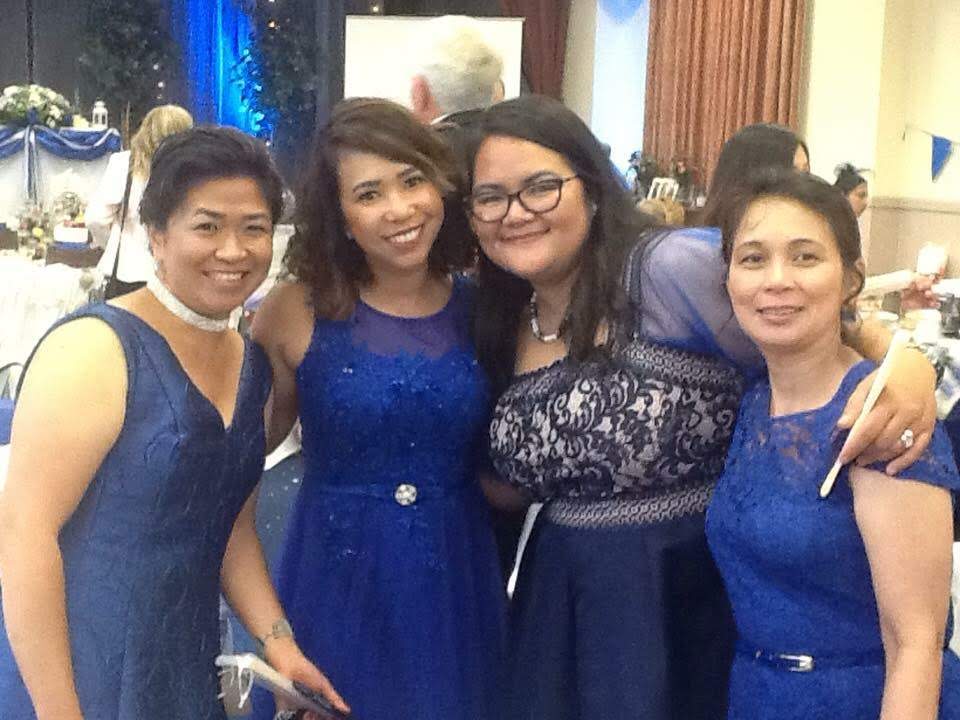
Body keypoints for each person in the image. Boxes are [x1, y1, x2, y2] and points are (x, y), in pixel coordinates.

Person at [465, 95, 938, 720]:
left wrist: (906, 366)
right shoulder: (496, 317)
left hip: (683, 603)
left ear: (593, 188)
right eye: (491, 197)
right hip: (559, 606)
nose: (516, 212)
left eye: (541, 187)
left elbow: (806, 311)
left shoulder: (663, 269)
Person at [0, 127, 346, 720]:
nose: (233, 250)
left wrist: (280, 645)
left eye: (254, 228)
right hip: (75, 667)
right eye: (207, 227)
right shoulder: (95, 348)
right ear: (156, 235)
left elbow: (231, 526)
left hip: (184, 661)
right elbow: (24, 536)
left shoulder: (251, 365)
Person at [248, 98, 504, 720]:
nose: (400, 209)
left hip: (455, 578)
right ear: (340, 217)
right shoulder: (294, 311)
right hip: (334, 574)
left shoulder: (486, 309)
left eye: (412, 180)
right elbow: (240, 459)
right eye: (369, 194)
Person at [707, 168, 960, 719]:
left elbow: (916, 642)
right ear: (728, 279)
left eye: (805, 257)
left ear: (851, 279)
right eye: (753, 259)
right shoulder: (751, 400)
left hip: (859, 700)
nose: (777, 279)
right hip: (758, 694)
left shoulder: (880, 414)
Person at [87, 105, 194, 297]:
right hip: (179, 277)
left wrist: (114, 243)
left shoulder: (123, 164)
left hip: (128, 272)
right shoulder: (195, 171)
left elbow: (95, 219)